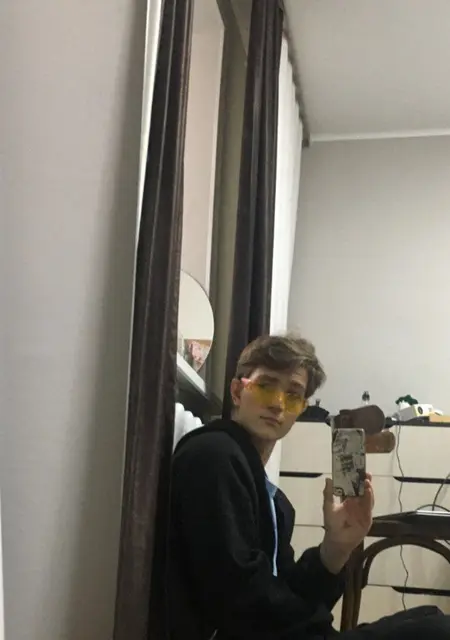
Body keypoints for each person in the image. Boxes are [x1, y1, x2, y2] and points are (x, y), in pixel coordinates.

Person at [168, 334, 450, 639]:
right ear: (237, 391)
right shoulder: (214, 455)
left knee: (430, 616)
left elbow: (285, 589)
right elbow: (238, 597)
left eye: (292, 395)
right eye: (265, 386)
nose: (277, 404)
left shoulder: (271, 498)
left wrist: (336, 547)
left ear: (301, 408)